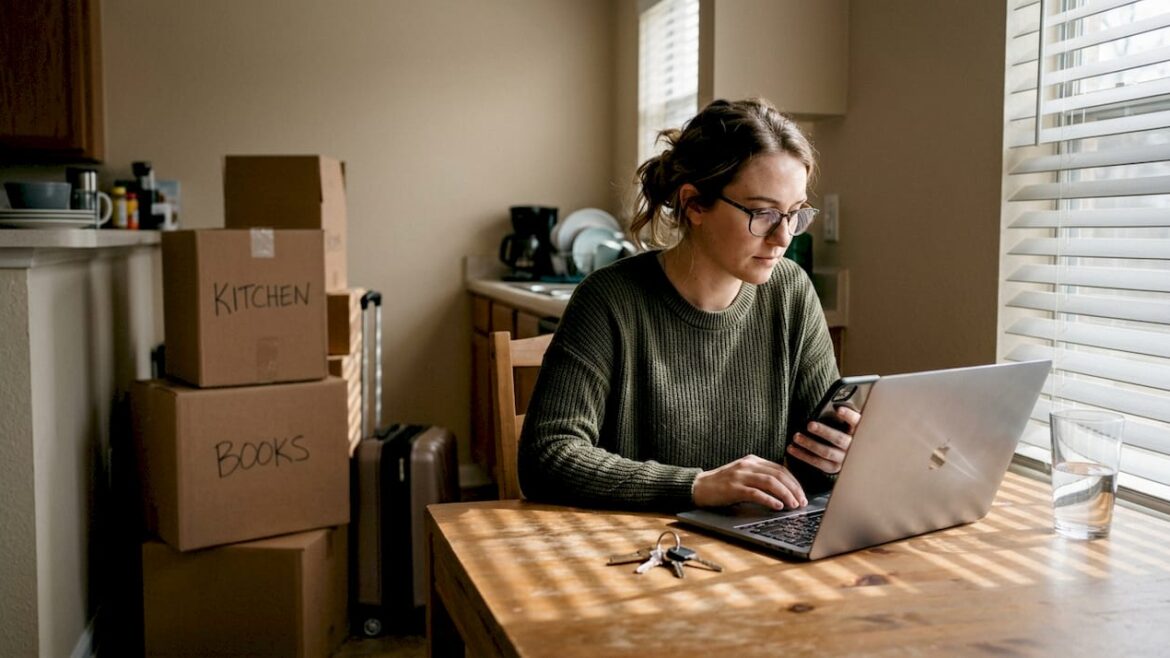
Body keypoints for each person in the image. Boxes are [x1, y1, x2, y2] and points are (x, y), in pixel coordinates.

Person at [517, 98, 860, 512]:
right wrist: (696, 485)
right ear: (695, 203)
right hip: (634, 553)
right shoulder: (609, 300)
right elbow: (547, 457)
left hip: (752, 545)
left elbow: (813, 461)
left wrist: (838, 457)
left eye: (794, 213)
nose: (784, 238)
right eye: (763, 213)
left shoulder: (792, 293)